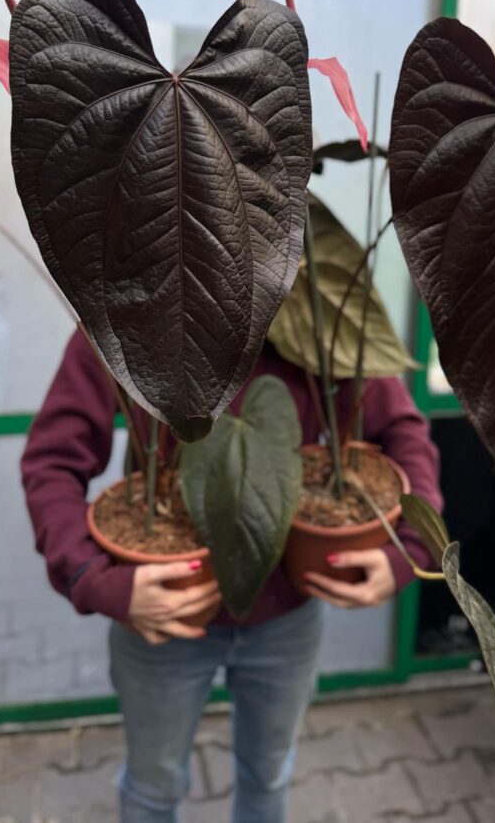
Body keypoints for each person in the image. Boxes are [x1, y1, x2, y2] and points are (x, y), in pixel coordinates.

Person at [22, 329, 442, 823]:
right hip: (163, 614)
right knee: (153, 786)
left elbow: (403, 432)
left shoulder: (311, 308)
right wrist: (91, 577)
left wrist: (409, 553)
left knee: (268, 775)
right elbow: (52, 461)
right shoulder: (129, 308)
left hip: (285, 612)